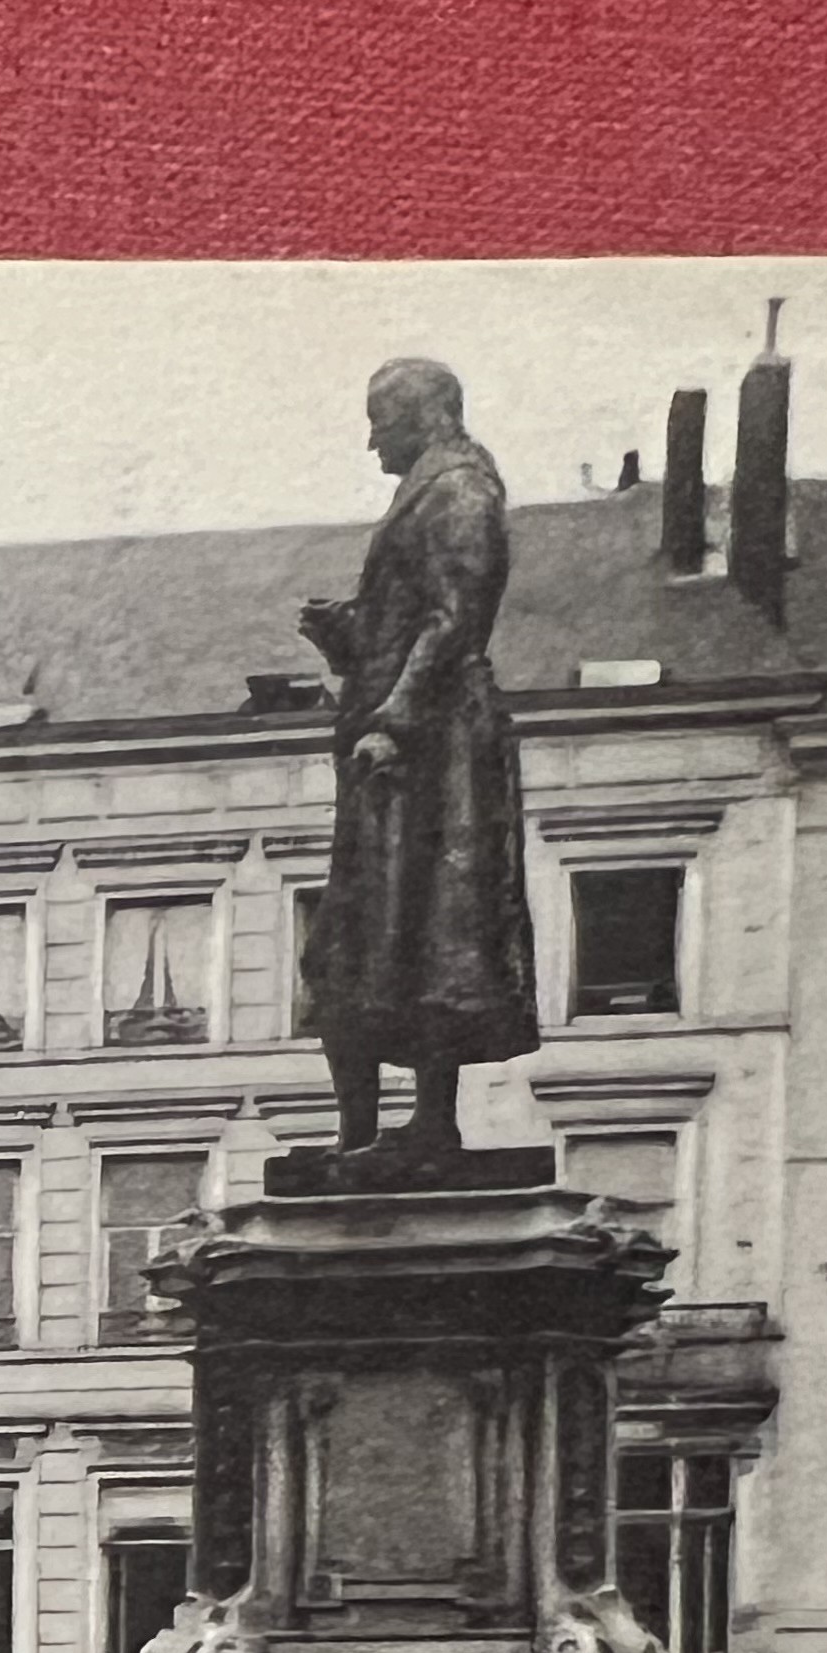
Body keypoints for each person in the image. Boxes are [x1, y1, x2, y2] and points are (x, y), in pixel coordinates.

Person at [295, 356, 539, 1178]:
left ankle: (432, 1128)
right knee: (353, 942)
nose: (371, 439)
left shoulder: (462, 490)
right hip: (391, 746)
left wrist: (395, 717)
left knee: (436, 931)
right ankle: (360, 1135)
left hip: (432, 750)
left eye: (381, 418)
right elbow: (415, 619)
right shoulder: (426, 494)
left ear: (427, 414)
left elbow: (454, 617)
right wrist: (350, 635)